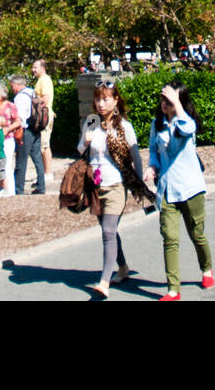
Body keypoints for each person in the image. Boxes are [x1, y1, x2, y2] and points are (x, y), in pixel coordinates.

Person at [77, 79, 152, 298]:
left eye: (105, 99)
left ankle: (103, 282)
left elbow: (135, 155)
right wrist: (85, 141)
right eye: (98, 99)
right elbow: (80, 149)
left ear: (115, 100)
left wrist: (140, 183)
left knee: (108, 231)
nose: (100, 104)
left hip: (117, 184)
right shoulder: (91, 122)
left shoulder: (124, 127)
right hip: (95, 185)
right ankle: (123, 267)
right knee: (109, 230)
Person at [149, 83, 214, 300]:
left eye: (170, 100)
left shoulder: (186, 122)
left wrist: (177, 106)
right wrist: (152, 167)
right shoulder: (156, 124)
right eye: (163, 99)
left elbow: (188, 129)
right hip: (167, 189)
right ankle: (173, 289)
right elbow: (153, 152)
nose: (165, 103)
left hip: (190, 187)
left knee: (197, 234)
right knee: (170, 238)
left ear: (180, 102)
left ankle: (206, 268)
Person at [11, 74, 45, 195]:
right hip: (37, 127)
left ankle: (18, 188)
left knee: (21, 159)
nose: (12, 89)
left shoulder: (19, 97)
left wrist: (17, 132)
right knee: (37, 158)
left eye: (12, 86)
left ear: (17, 84)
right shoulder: (32, 92)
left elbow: (21, 117)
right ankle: (41, 186)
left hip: (26, 130)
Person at [33, 60, 56, 182]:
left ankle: (48, 173)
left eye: (35, 67)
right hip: (42, 116)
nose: (33, 70)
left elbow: (45, 99)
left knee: (44, 144)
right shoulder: (41, 80)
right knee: (42, 144)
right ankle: (45, 172)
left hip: (45, 116)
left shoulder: (45, 80)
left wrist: (32, 102)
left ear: (42, 68)